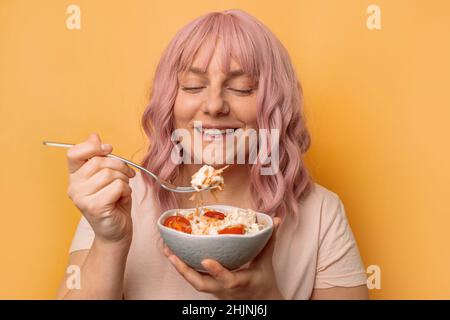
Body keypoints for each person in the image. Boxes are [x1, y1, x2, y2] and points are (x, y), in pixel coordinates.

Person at [57, 9, 368, 300]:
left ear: (274, 104)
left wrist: (264, 298)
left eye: (243, 88)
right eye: (193, 87)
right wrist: (110, 241)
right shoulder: (120, 201)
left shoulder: (320, 212)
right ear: (168, 101)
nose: (214, 105)